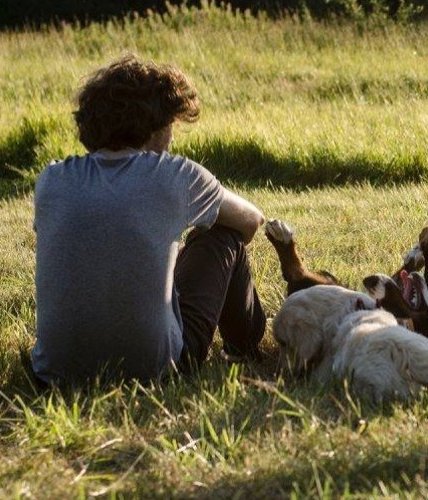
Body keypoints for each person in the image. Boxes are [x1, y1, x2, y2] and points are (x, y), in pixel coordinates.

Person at [31, 54, 266, 385]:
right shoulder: (175, 174)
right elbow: (251, 221)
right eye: (170, 125)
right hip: (157, 371)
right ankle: (243, 347)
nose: (172, 138)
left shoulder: (51, 180)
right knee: (224, 235)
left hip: (53, 374)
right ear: (155, 126)